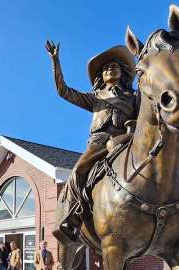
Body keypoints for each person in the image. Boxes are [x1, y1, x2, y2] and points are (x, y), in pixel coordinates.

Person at [45, 41, 137, 243]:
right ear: (101, 78)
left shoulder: (134, 97)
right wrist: (55, 61)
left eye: (113, 66)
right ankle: (72, 217)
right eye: (105, 69)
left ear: (123, 72)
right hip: (99, 144)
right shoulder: (95, 97)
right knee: (78, 172)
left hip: (126, 142)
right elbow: (63, 91)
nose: (109, 69)